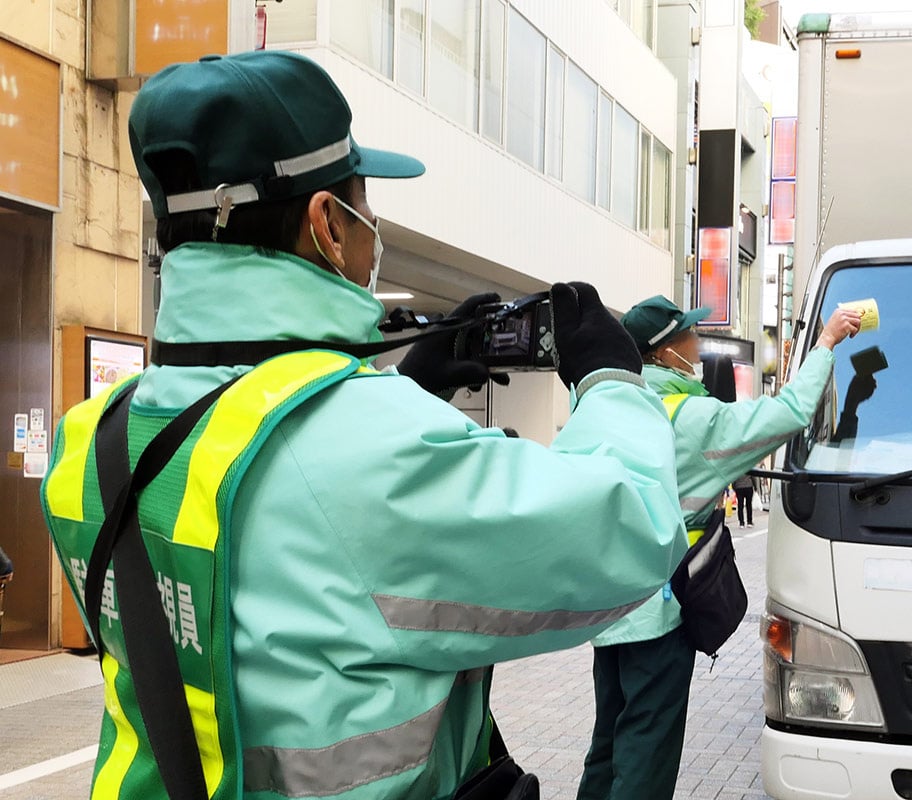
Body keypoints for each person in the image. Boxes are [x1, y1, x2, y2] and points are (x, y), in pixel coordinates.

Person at [40, 50, 689, 800]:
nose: (373, 230)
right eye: (365, 208)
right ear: (326, 225)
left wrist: (402, 384)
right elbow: (634, 532)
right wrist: (612, 377)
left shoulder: (89, 438)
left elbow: (288, 581)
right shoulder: (371, 441)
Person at [575, 295, 861, 799]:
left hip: (609, 609)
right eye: (688, 336)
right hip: (661, 613)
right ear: (665, 353)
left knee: (608, 743)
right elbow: (790, 411)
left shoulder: (605, 405)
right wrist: (826, 343)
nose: (698, 343)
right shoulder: (692, 418)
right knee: (646, 750)